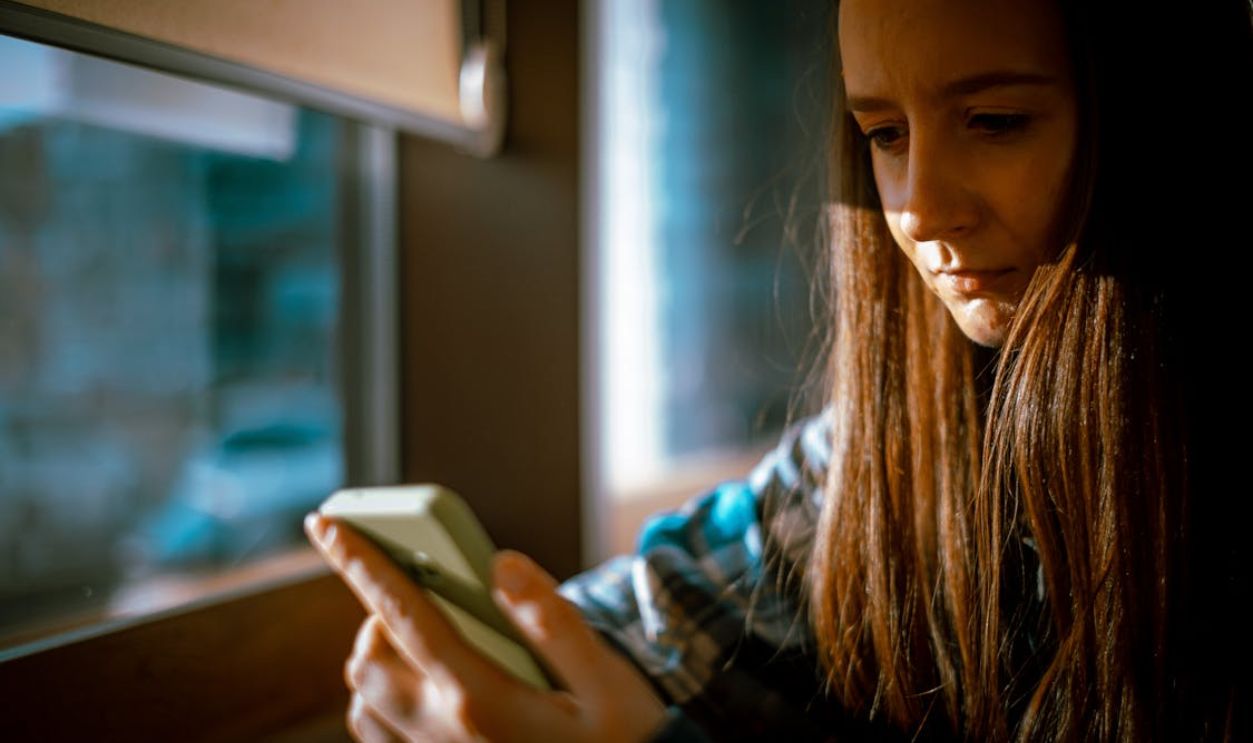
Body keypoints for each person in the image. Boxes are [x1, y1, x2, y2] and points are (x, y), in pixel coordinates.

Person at [304, 0, 1251, 740]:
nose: (918, 209)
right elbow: (649, 609)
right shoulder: (873, 464)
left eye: (994, 120)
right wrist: (473, 677)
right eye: (884, 134)